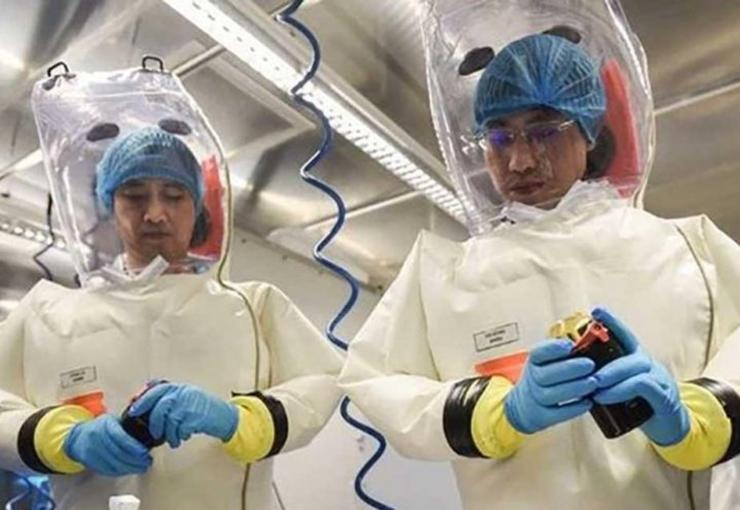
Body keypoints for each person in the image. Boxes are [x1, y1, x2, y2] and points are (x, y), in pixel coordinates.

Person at [339, 7, 740, 510]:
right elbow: (372, 381)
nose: (520, 160)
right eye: (499, 137)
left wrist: (696, 417)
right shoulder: (443, 276)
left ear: (590, 130)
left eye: (545, 130)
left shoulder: (688, 250)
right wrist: (500, 413)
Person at [0, 66, 343, 509]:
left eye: (174, 196)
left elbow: (323, 382)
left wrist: (240, 420)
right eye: (134, 195)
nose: (155, 214)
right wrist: (63, 438)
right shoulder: (48, 313)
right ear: (108, 204)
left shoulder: (252, 306)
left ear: (198, 207)